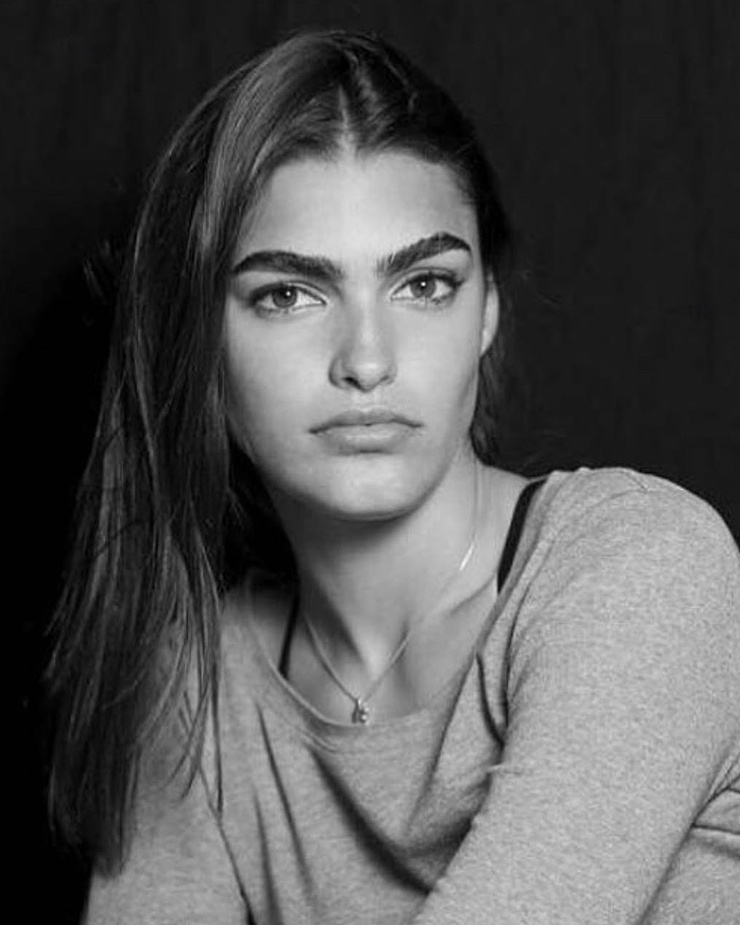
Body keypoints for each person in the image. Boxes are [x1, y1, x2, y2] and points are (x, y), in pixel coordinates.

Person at [46, 28, 740, 925]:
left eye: (423, 284)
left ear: (486, 311)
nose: (368, 360)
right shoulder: (197, 687)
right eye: (288, 294)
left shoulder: (638, 566)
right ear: (196, 342)